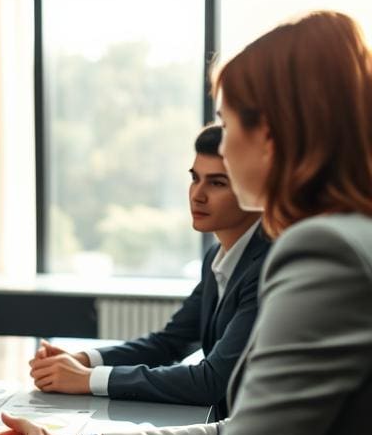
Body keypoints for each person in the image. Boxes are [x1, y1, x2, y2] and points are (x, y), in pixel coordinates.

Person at [0, 10, 372, 435]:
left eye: (229, 118)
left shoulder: (321, 253)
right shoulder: (350, 240)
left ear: (269, 132)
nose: (220, 144)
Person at [29, 125, 268, 417]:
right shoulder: (215, 259)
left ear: (253, 189)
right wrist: (83, 360)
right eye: (195, 179)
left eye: (217, 183)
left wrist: (87, 380)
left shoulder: (267, 265)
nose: (197, 195)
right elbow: (169, 343)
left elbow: (213, 381)